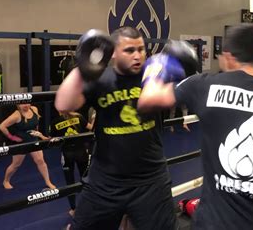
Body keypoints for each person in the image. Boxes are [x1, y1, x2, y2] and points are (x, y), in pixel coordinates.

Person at [138, 24, 253, 229]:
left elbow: (147, 100)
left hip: (215, 223)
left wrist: (158, 66)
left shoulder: (205, 86)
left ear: (228, 56)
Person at [55, 27, 176, 230]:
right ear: (113, 53)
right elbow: (63, 104)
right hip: (106, 181)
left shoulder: (154, 75)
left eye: (141, 49)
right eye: (129, 50)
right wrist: (82, 67)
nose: (137, 55)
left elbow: (175, 94)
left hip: (151, 180)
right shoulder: (100, 78)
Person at [0, 104, 56, 190]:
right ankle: (6, 181)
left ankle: (48, 182)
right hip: (22, 143)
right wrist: (12, 137)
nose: (26, 105)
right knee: (16, 164)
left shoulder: (34, 109)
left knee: (40, 161)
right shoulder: (16, 115)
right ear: (18, 104)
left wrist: (41, 136)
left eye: (27, 103)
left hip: (33, 140)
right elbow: (2, 126)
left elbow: (35, 126)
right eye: (23, 103)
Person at [49, 111, 93, 217]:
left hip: (67, 154)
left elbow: (51, 140)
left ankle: (73, 209)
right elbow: (91, 127)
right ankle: (89, 206)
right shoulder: (79, 116)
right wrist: (94, 118)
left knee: (70, 182)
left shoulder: (55, 122)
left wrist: (41, 136)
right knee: (86, 179)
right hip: (81, 152)